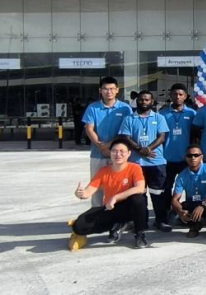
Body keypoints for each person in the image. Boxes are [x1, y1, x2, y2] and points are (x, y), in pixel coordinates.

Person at [69, 137, 149, 250]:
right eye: (114, 151)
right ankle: (116, 225)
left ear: (129, 154)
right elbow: (88, 191)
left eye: (122, 151)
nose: (118, 154)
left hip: (130, 208)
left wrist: (116, 197)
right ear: (109, 153)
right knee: (79, 226)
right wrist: (80, 194)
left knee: (139, 199)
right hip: (111, 208)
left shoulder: (134, 168)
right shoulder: (103, 171)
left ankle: (140, 234)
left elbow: (140, 188)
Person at [119, 89, 171, 232]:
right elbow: (125, 137)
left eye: (147, 99)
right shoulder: (129, 118)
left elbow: (162, 137)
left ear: (152, 101)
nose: (143, 102)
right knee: (138, 195)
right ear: (137, 101)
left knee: (158, 194)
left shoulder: (159, 118)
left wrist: (148, 149)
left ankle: (161, 221)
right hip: (136, 163)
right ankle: (141, 223)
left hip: (156, 163)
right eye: (141, 99)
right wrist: (139, 149)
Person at [81, 76, 133, 206]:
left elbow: (125, 131)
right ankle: (96, 212)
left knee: (120, 185)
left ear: (117, 90)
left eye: (111, 88)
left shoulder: (125, 108)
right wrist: (101, 146)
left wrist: (109, 146)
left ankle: (118, 213)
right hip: (98, 154)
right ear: (100, 90)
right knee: (96, 185)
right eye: (105, 89)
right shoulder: (93, 108)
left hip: (119, 154)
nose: (108, 92)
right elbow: (89, 129)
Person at [170, 144, 206, 239]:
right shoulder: (181, 176)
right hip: (192, 204)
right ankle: (194, 226)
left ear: (202, 157)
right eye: (189, 155)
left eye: (196, 155)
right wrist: (180, 211)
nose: (193, 158)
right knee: (173, 217)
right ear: (185, 158)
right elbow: (175, 200)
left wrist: (202, 205)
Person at [160, 83, 197, 212]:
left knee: (189, 186)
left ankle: (188, 211)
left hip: (186, 158)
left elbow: (196, 135)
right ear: (170, 95)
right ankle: (166, 211)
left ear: (186, 96)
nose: (178, 97)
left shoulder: (192, 113)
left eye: (181, 94)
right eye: (175, 94)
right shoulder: (162, 114)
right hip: (167, 157)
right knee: (166, 186)